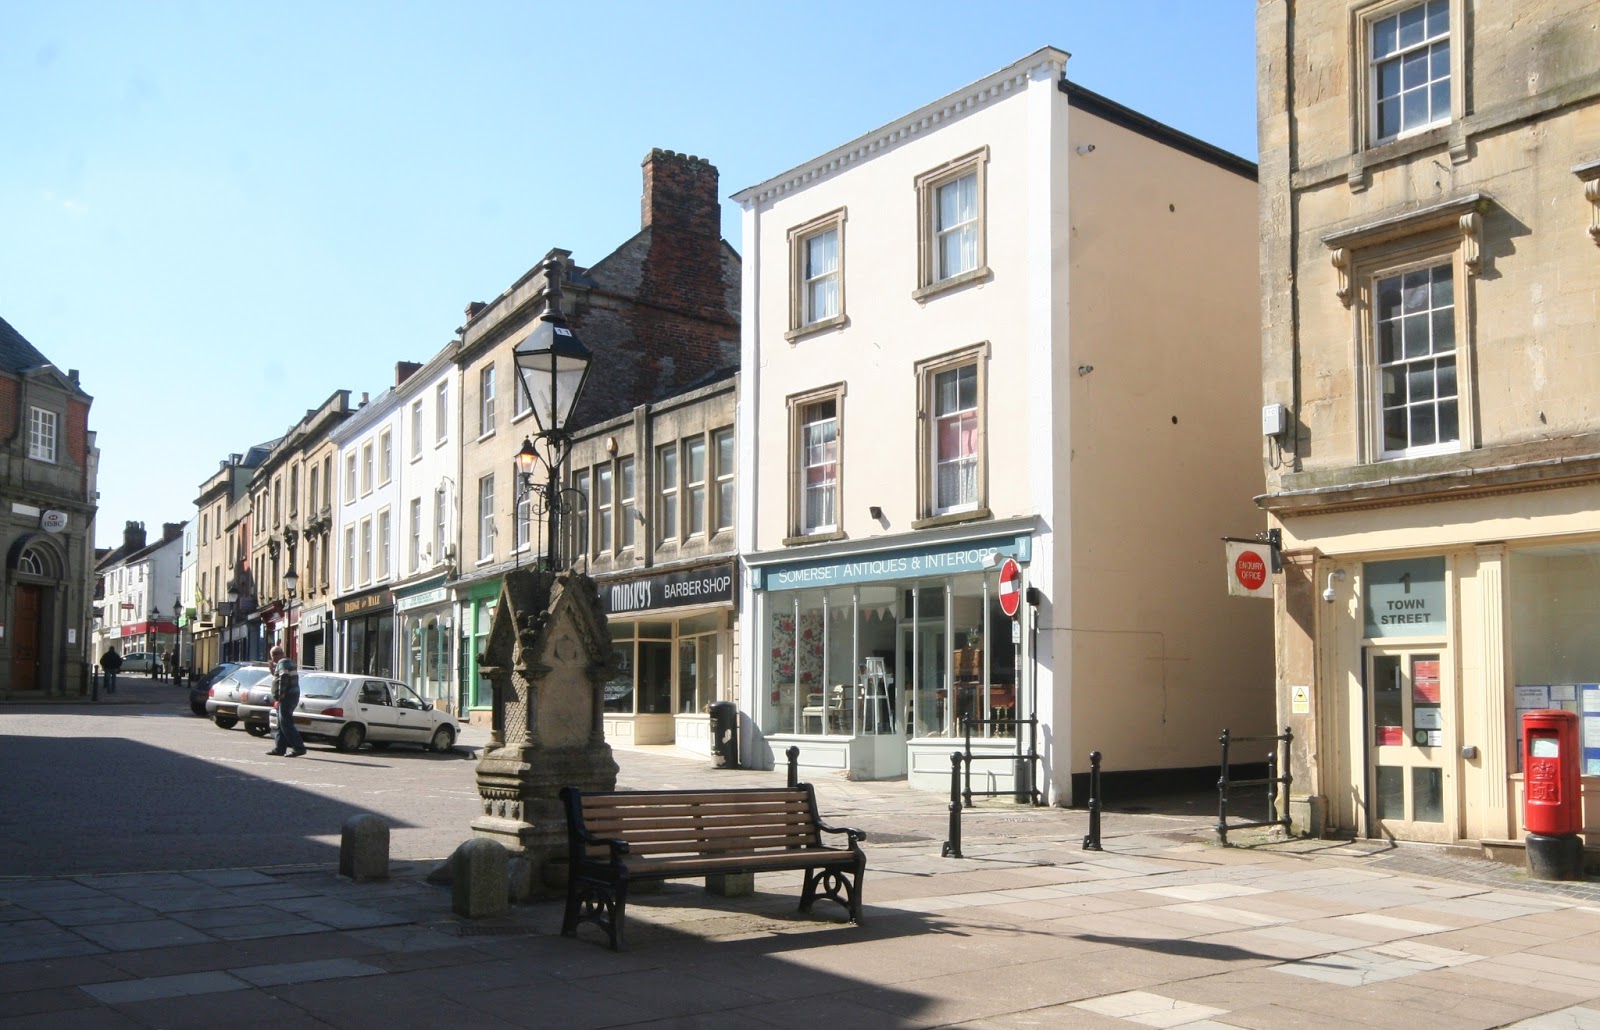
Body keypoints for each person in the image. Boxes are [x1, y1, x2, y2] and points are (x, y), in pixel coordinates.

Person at [266, 644, 306, 757]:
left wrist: (280, 695)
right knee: (280, 723)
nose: (272, 659)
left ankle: (299, 747)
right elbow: (281, 675)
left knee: (286, 723)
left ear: (274, 656)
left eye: (272, 656)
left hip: (287, 697)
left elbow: (284, 677)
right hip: (291, 696)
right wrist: (273, 671)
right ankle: (280, 748)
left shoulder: (282, 663)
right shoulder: (288, 662)